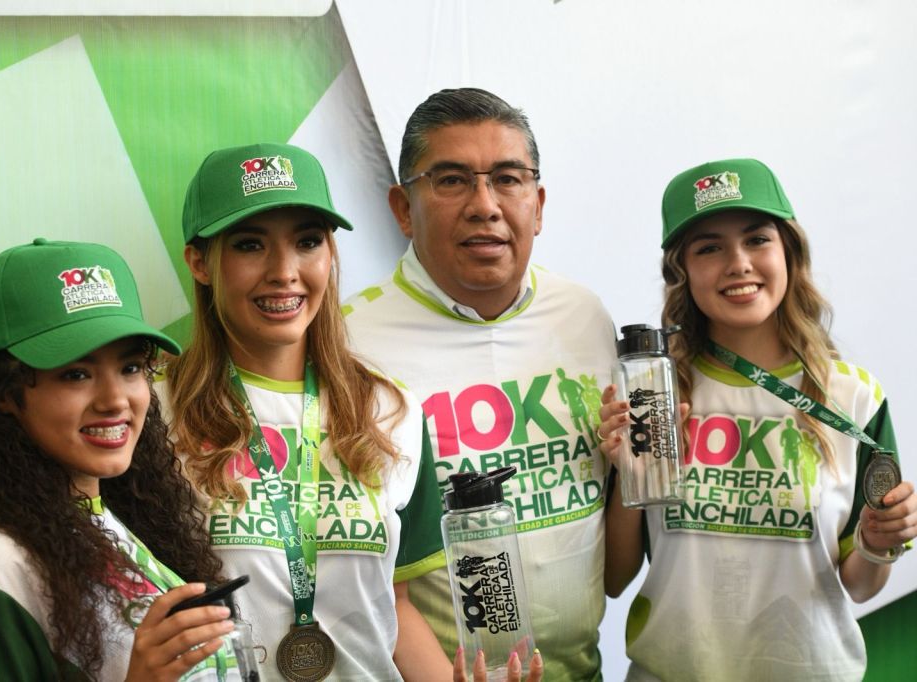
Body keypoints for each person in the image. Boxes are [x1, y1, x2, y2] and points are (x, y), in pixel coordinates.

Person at [599, 158, 917, 681]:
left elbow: (860, 585)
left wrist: (880, 542)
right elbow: (615, 578)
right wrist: (630, 472)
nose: (738, 263)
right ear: (681, 271)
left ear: (788, 251)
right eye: (709, 248)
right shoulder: (653, 393)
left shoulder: (852, 397)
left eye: (757, 240)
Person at [167, 143, 472, 681]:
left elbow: (393, 607)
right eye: (249, 245)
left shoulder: (391, 409)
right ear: (200, 263)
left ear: (330, 255)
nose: (284, 271)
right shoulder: (152, 413)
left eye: (307, 242)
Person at [343, 88, 611, 681]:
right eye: (452, 180)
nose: (485, 205)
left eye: (508, 179)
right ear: (403, 208)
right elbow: (357, 566)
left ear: (538, 204)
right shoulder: (348, 345)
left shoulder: (585, 317)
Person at [0, 239, 240, 680]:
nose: (116, 400)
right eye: (76, 374)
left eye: (130, 368)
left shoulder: (116, 524)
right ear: (4, 396)